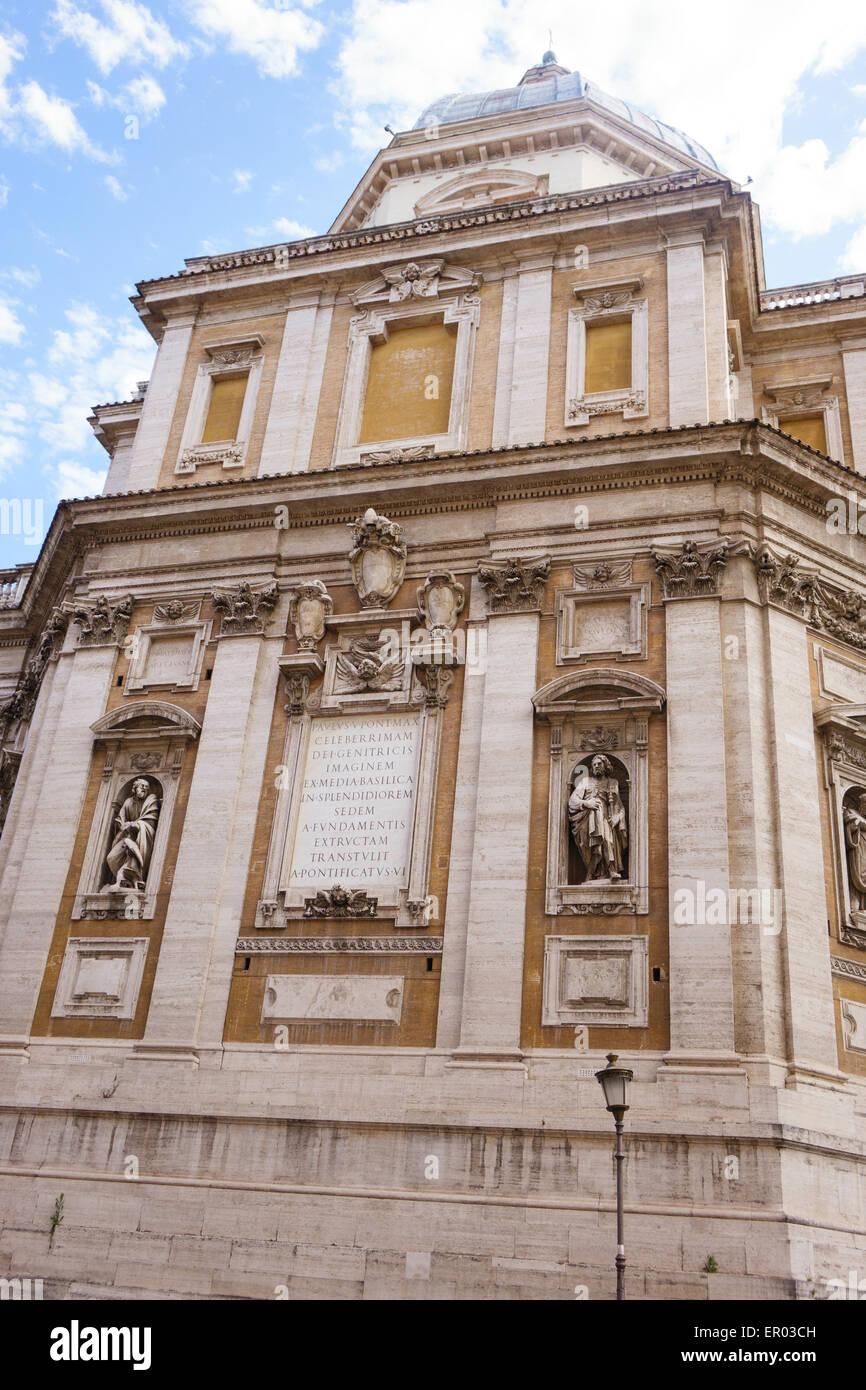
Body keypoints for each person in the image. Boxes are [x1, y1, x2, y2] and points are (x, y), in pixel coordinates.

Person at [568, 754, 627, 881]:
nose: (596, 766)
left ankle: (607, 870)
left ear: (605, 765)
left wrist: (617, 817)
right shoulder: (585, 782)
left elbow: (620, 807)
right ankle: (593, 873)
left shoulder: (613, 783)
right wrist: (586, 803)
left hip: (606, 818)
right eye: (594, 764)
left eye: (599, 764)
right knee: (595, 846)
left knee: (607, 841)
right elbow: (573, 800)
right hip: (589, 819)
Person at [103, 777, 160, 891]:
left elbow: (152, 820)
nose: (144, 789)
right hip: (126, 835)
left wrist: (138, 825)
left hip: (143, 835)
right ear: (134, 788)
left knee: (132, 856)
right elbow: (120, 820)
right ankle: (125, 880)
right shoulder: (128, 802)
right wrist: (124, 825)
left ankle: (133, 880)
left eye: (146, 787)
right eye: (142, 786)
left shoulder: (151, 799)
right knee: (111, 857)